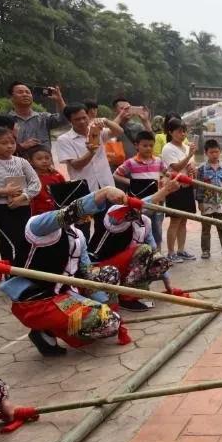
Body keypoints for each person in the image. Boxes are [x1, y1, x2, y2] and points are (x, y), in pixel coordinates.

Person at [0, 185, 131, 356]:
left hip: (64, 293)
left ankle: (66, 324)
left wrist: (103, 304)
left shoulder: (77, 235)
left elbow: (86, 271)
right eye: (85, 211)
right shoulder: (39, 225)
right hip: (37, 301)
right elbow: (68, 213)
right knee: (108, 323)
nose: (88, 217)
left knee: (107, 280)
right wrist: (104, 192)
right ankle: (46, 330)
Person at [88, 180, 181, 312]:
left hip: (123, 269)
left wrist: (168, 285)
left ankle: (134, 291)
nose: (154, 206)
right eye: (153, 203)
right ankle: (126, 297)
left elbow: (155, 252)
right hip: (100, 268)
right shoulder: (116, 215)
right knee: (143, 250)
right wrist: (164, 191)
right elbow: (134, 208)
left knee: (158, 259)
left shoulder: (146, 222)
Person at [54, 103, 124, 193]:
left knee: (113, 207)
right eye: (77, 119)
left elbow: (119, 131)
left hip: (106, 184)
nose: (82, 121)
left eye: (84, 117)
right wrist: (91, 153)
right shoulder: (64, 139)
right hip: (85, 188)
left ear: (88, 116)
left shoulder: (97, 131)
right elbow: (75, 165)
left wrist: (106, 121)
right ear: (70, 121)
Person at [114, 131, 165, 249]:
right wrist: (131, 182)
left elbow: (167, 173)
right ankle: (140, 254)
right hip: (138, 204)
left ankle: (157, 256)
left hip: (156, 203)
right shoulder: (131, 162)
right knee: (139, 230)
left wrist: (164, 181)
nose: (148, 148)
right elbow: (116, 174)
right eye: (145, 145)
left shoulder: (158, 161)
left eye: (151, 145)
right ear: (136, 145)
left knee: (157, 230)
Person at [0, 126, 40, 262]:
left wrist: (23, 196)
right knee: (10, 239)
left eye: (12, 143)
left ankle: (19, 269)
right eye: (4, 143)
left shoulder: (21, 162)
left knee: (24, 238)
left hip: (23, 206)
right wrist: (4, 191)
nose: (9, 146)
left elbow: (36, 183)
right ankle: (11, 270)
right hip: (1, 209)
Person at [160, 117, 198, 262]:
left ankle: (181, 250)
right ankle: (170, 252)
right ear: (170, 132)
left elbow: (191, 166)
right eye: (179, 131)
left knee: (184, 220)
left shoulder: (187, 147)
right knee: (175, 220)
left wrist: (194, 169)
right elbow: (175, 167)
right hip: (175, 188)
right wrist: (189, 156)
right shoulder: (168, 148)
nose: (182, 134)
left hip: (187, 187)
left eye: (184, 131)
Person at [195, 139, 222, 258]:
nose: (214, 155)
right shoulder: (202, 169)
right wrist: (200, 201)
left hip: (220, 202)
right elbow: (198, 186)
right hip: (207, 202)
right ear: (206, 153)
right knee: (206, 228)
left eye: (216, 152)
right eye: (211, 152)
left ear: (220, 152)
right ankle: (205, 250)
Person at [6, 82, 67, 158]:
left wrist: (59, 100)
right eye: (20, 92)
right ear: (11, 98)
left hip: (44, 167)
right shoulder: (5, 121)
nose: (25, 94)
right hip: (16, 167)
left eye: (28, 92)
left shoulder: (44, 118)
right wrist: (21, 146)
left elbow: (65, 119)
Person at [28, 146, 65, 215]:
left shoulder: (56, 174)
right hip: (39, 213)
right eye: (39, 159)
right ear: (30, 161)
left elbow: (65, 191)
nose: (44, 161)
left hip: (59, 211)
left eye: (47, 158)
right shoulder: (30, 178)